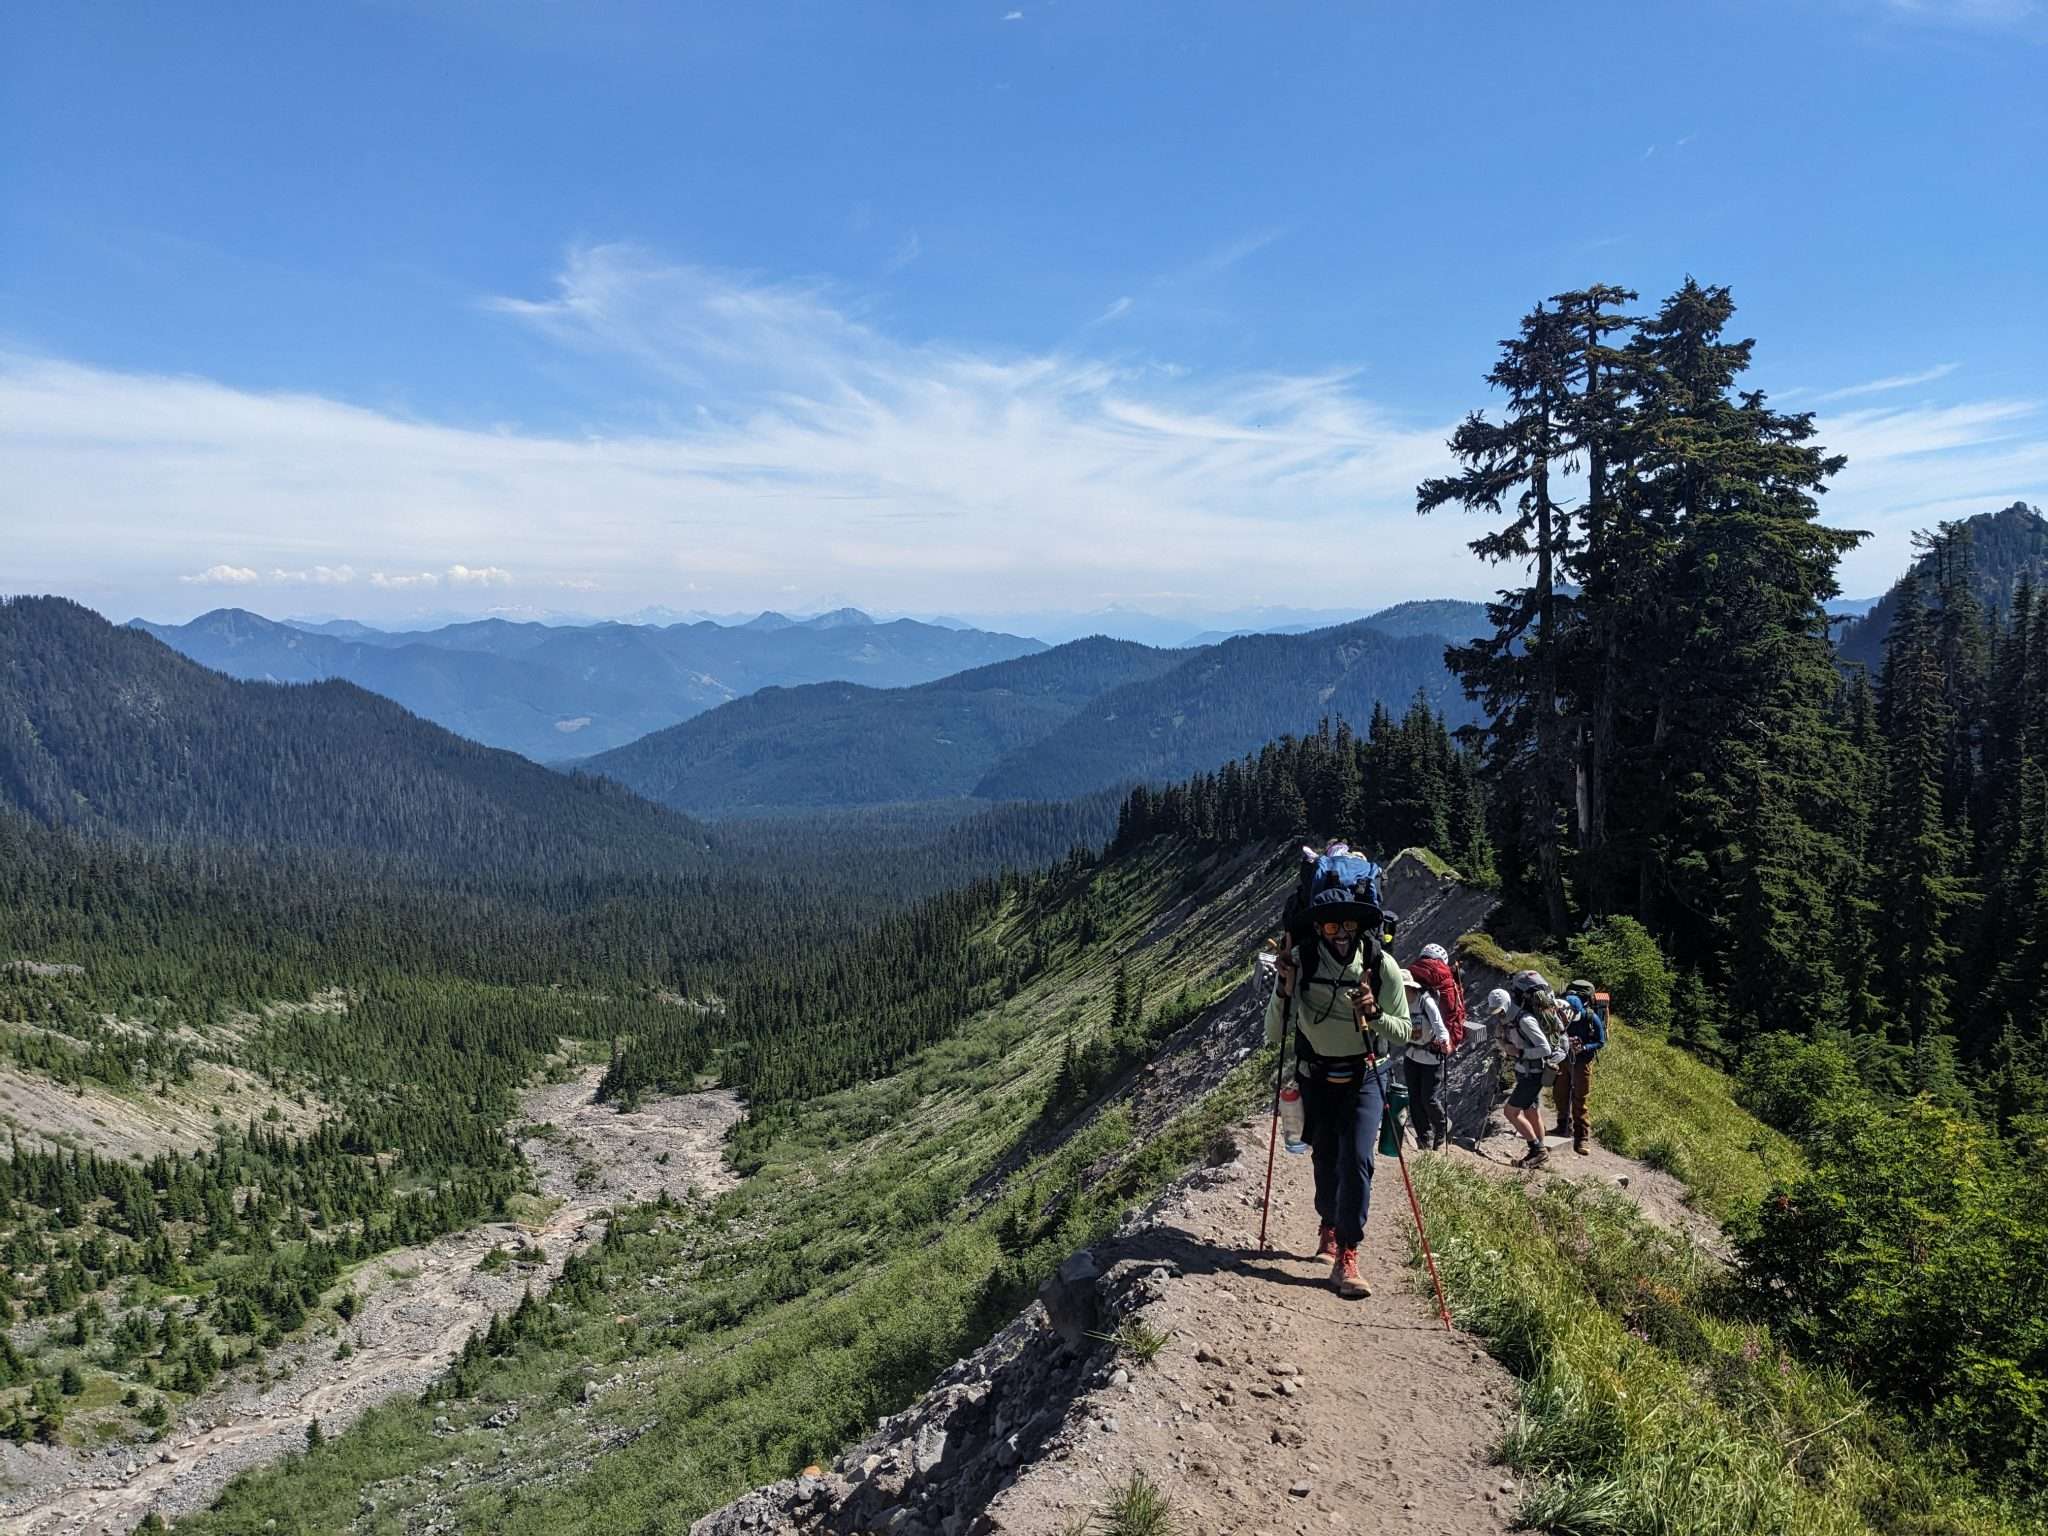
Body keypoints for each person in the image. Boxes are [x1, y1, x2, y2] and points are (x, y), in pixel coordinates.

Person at [1266, 887, 1411, 1298]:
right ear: (1318, 928)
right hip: (1318, 1076)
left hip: (1366, 1074)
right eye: (1332, 924)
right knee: (1326, 1156)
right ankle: (1328, 1225)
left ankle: (1348, 1250)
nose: (1342, 932)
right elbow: (1274, 1033)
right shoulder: (1301, 963)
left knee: (1358, 1161)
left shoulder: (1383, 967)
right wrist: (1284, 989)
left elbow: (1401, 1031)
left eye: (1349, 923)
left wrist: (1374, 1013)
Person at [1500, 972, 1565, 1167]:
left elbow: (1543, 1048)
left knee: (1510, 1112)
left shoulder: (1525, 1019)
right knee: (1531, 1111)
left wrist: (1518, 1052)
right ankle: (1540, 1153)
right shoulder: (1535, 1014)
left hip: (1531, 1072)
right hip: (1535, 1071)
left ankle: (1537, 1150)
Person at [1552, 979, 1605, 1155]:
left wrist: (1584, 1047)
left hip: (1582, 1062)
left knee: (1579, 1098)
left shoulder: (1591, 1018)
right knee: (1560, 1093)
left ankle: (1582, 1137)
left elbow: (1600, 1041)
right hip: (1564, 1058)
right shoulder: (1560, 1014)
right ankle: (1562, 1126)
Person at [1400, 967, 1451, 1151]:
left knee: (1428, 1098)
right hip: (1412, 1055)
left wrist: (1445, 1042)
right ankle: (1424, 1137)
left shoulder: (1425, 1001)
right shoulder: (1400, 1003)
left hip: (1430, 1056)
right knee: (1414, 1098)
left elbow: (1439, 1024)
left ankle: (1442, 1127)